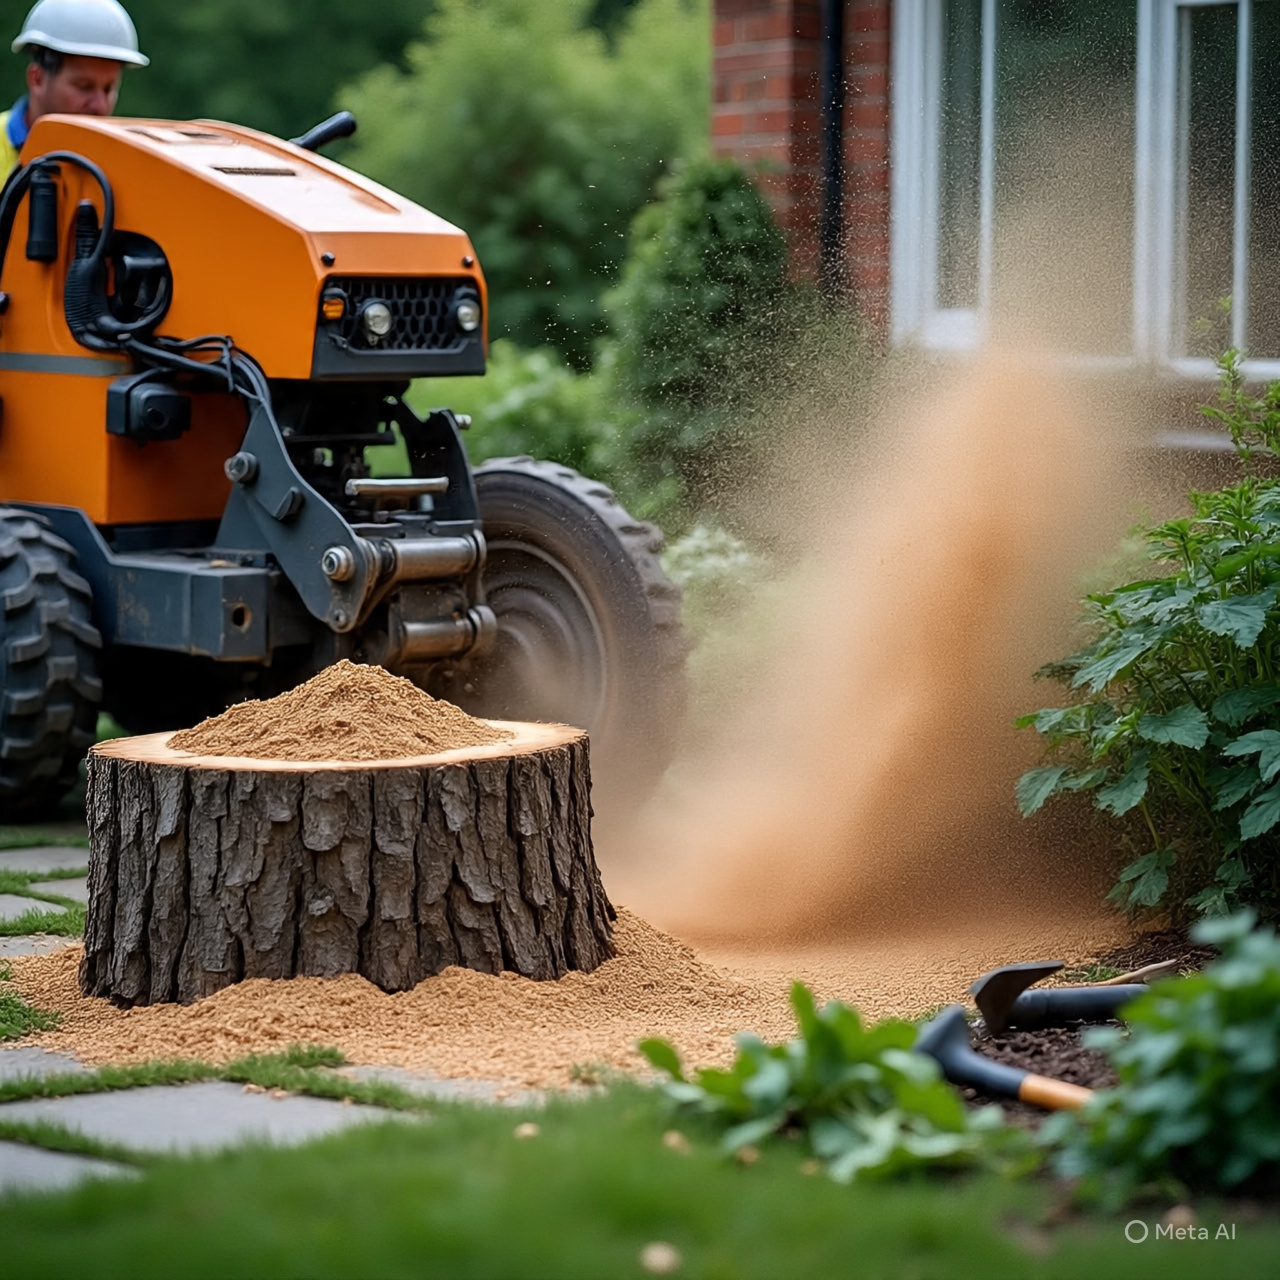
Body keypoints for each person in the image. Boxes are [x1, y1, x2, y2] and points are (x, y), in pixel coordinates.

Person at [1, 0, 147, 173]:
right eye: (84, 86)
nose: (99, 106)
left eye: (108, 89)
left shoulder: (124, 164)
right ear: (37, 79)